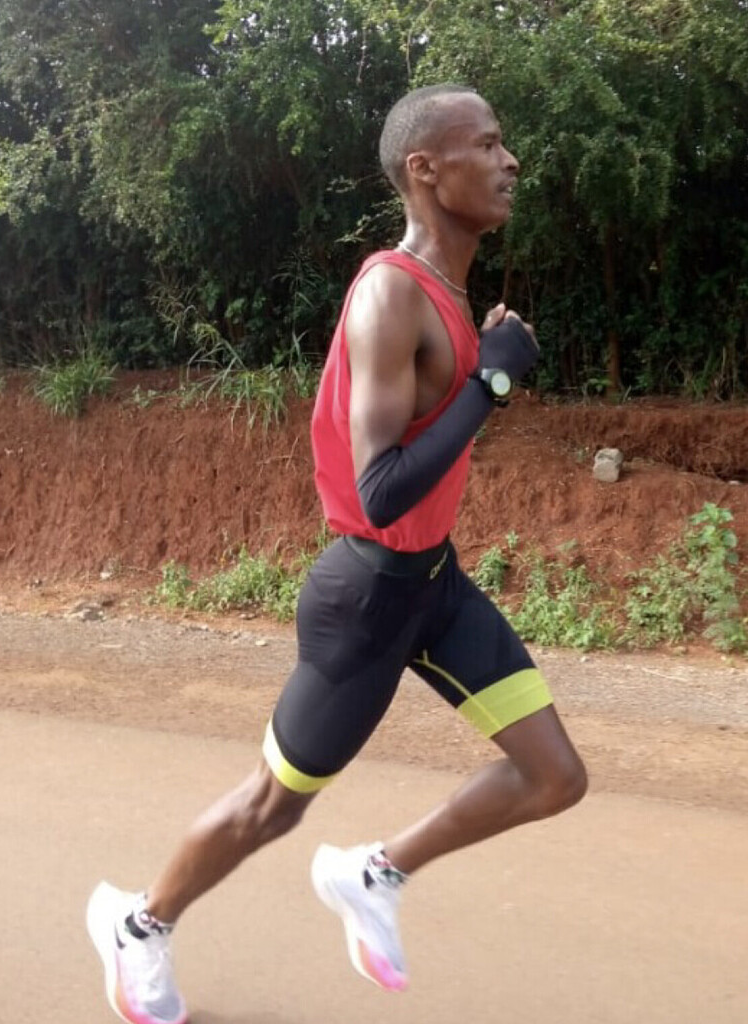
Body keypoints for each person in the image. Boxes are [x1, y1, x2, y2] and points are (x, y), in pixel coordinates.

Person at [86, 83, 587, 1024]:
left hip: (433, 585)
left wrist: (484, 372)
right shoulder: (391, 293)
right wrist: (491, 383)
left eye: (504, 143)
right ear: (425, 169)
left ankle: (373, 873)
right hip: (365, 601)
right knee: (271, 807)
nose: (510, 159)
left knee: (555, 776)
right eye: (487, 144)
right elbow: (381, 487)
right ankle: (138, 925)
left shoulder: (449, 292)